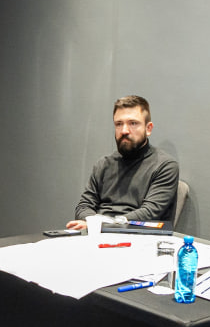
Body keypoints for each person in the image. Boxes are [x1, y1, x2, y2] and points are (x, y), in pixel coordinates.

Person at [66, 95, 180, 229]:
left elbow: (149, 213)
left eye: (133, 123)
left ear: (148, 128)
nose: (124, 131)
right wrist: (95, 224)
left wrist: (101, 224)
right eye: (119, 124)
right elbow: (83, 206)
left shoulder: (165, 166)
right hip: (97, 233)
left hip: (137, 235)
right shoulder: (103, 164)